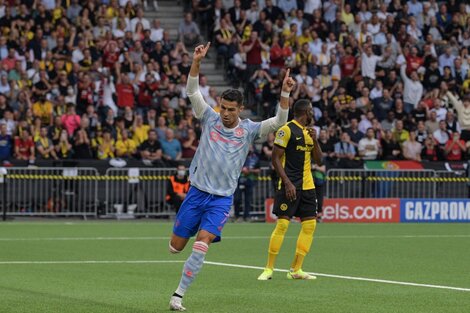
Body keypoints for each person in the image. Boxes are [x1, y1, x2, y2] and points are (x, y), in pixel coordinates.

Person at [168, 42, 294, 311]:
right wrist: (197, 61)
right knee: (176, 247)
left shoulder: (248, 130)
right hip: (197, 192)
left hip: (221, 199)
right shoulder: (208, 117)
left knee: (202, 244)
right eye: (223, 107)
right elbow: (192, 90)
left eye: (230, 109)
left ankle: (178, 295)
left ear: (241, 109)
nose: (225, 113)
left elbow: (279, 122)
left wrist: (284, 92)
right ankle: (185, 234)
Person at [257, 99, 323, 281]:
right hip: (290, 186)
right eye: (311, 111)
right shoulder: (286, 130)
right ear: (306, 112)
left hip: (308, 187)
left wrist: (315, 141)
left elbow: (319, 161)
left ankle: (296, 269)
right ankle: (268, 269)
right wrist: (286, 182)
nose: (313, 114)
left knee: (310, 225)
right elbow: (275, 159)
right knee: (283, 224)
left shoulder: (310, 133)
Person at [233, 145, 261, 221]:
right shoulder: (239, 156)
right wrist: (242, 169)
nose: (249, 148)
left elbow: (259, 170)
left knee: (248, 199)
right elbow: (234, 167)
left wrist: (250, 171)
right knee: (237, 198)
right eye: (248, 147)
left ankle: (246, 216)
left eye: (251, 147)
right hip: (239, 180)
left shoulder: (256, 158)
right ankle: (237, 215)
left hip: (250, 180)